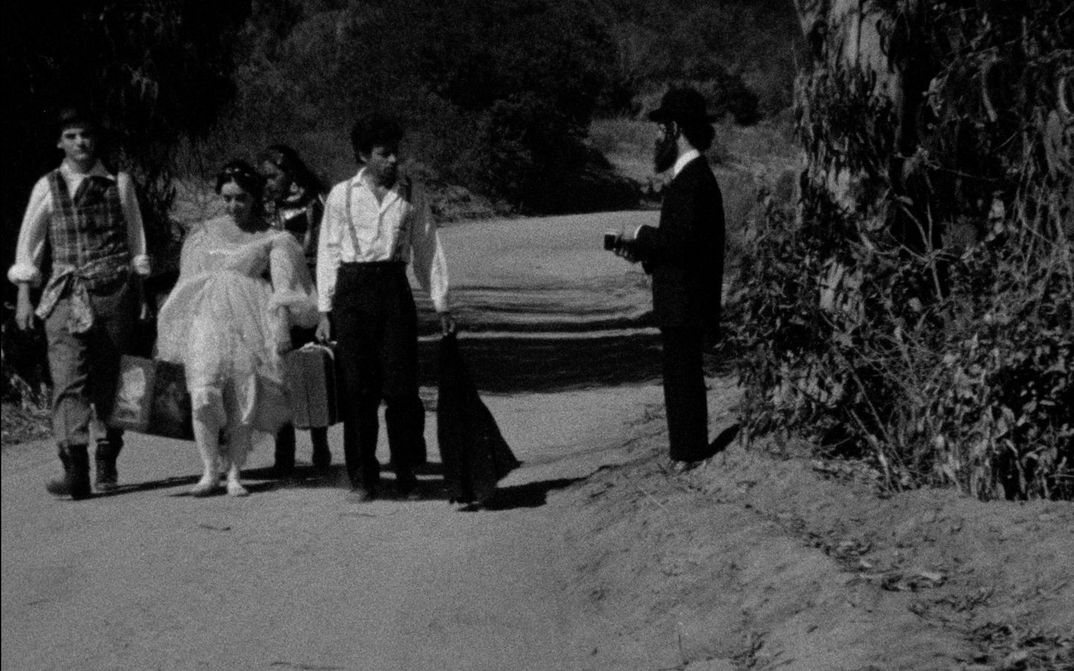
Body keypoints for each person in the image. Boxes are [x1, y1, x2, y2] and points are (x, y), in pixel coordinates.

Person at [8, 108, 151, 499]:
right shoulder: (48, 186)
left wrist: (141, 294)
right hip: (65, 293)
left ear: (96, 139)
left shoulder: (118, 184)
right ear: (60, 142)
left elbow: (136, 240)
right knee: (68, 378)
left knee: (111, 378)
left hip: (114, 291)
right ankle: (75, 467)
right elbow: (30, 243)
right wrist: (24, 294)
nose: (80, 143)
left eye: (86, 135)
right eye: (71, 136)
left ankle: (107, 452)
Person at [156, 160, 318, 496]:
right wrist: (177, 325)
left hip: (250, 317)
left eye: (241, 198)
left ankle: (234, 472)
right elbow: (187, 282)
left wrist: (282, 327)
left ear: (255, 198)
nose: (233, 206)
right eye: (227, 198)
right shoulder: (203, 235)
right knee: (203, 390)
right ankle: (208, 469)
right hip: (207, 318)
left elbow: (285, 288)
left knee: (244, 391)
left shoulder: (274, 239)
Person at [316, 113, 455, 502]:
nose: (394, 161)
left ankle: (407, 472)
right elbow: (328, 252)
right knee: (358, 390)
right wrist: (324, 310)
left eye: (396, 153)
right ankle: (363, 477)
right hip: (352, 293)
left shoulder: (411, 194)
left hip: (393, 290)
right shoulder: (342, 195)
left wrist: (442, 302)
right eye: (384, 154)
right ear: (363, 155)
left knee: (400, 388)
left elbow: (428, 249)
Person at [614, 87, 726, 473]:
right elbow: (679, 249)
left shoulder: (694, 179)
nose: (655, 137)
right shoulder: (690, 177)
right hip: (682, 298)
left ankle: (690, 451)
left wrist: (642, 234)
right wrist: (644, 254)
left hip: (688, 302)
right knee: (679, 376)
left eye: (660, 129)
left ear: (676, 129)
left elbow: (682, 245)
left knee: (683, 377)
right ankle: (685, 448)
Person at [258, 144, 331, 476]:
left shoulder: (319, 201)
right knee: (278, 373)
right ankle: (283, 452)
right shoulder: (266, 208)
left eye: (273, 175)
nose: (268, 182)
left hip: (311, 292)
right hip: (274, 295)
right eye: (265, 177)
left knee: (310, 369)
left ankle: (319, 441)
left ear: (290, 171)